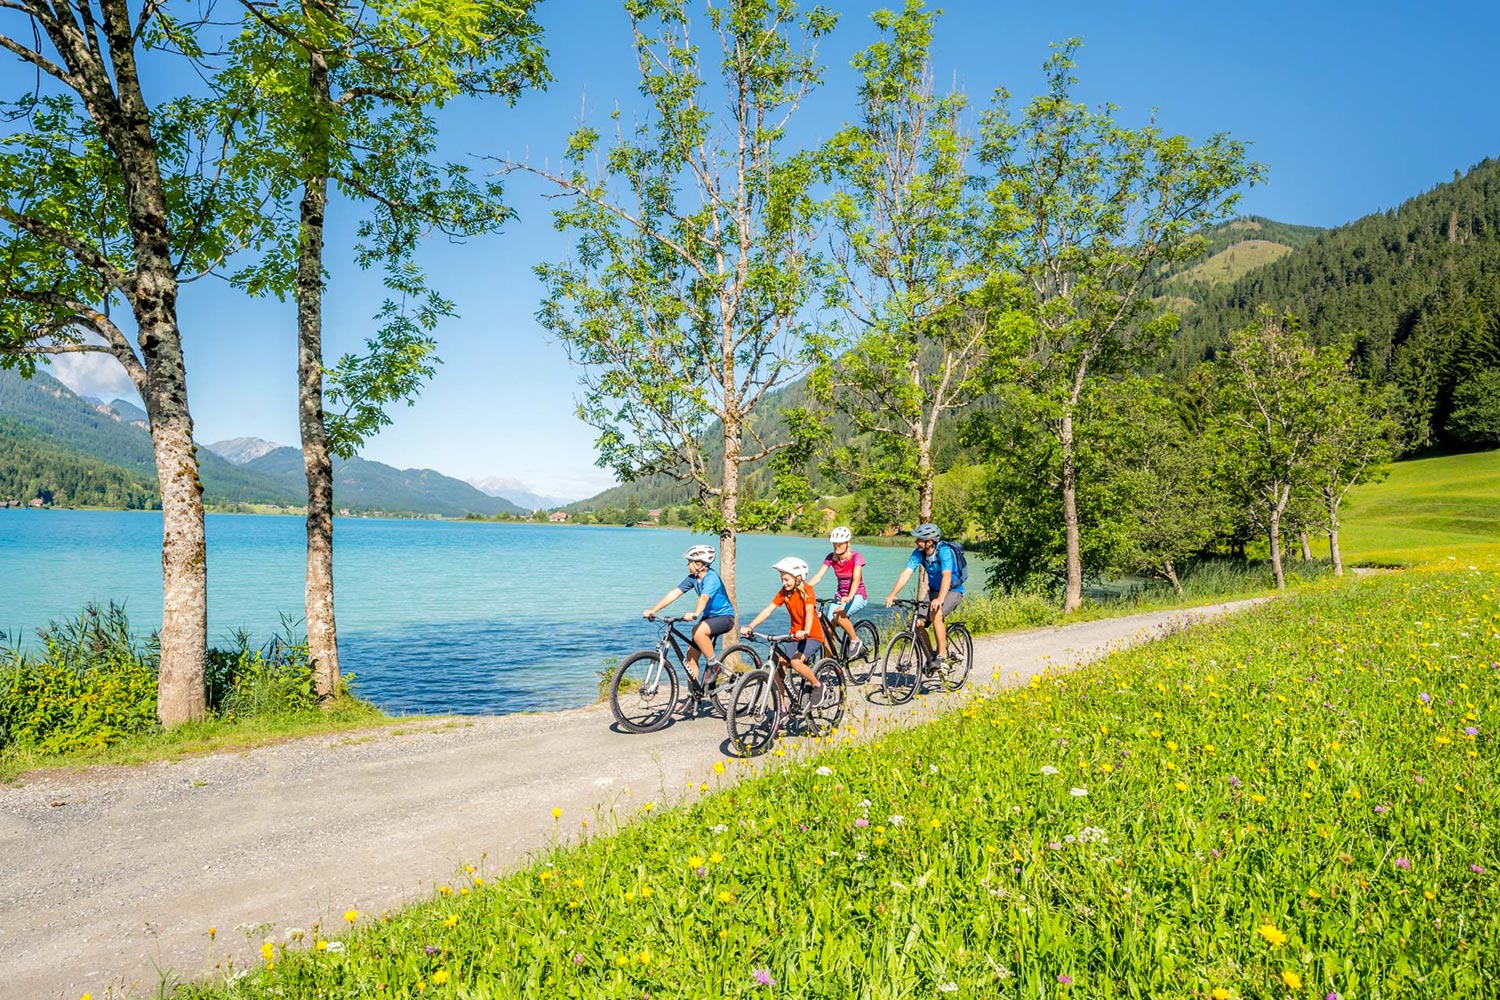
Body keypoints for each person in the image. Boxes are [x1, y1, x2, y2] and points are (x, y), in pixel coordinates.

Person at [740, 556, 832, 706]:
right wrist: (751, 626)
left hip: (812, 635)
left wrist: (806, 630)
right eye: (782, 579)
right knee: (777, 665)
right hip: (795, 636)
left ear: (798, 578)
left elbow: (809, 611)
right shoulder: (784, 592)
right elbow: (768, 610)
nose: (784, 582)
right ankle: (781, 707)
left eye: (787, 579)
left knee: (795, 662)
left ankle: (818, 685)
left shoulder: (807, 590)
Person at [643, 544, 734, 685]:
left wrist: (695, 613)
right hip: (708, 619)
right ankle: (693, 697)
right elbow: (674, 593)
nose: (687, 565)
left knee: (697, 631)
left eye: (689, 562)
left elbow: (704, 597)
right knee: (691, 657)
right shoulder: (693, 578)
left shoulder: (712, 578)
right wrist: (654, 610)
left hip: (725, 617)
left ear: (699, 564)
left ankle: (713, 665)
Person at [883, 522, 962, 668]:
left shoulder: (944, 552)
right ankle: (932, 658)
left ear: (929, 542)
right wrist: (893, 593)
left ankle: (942, 656)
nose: (915, 542)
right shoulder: (919, 553)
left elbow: (946, 576)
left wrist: (940, 599)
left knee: (935, 615)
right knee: (918, 623)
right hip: (933, 591)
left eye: (919, 539)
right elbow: (906, 573)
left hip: (953, 591)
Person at [807, 526, 867, 659]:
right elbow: (819, 576)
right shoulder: (831, 558)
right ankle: (829, 663)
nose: (837, 546)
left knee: (837, 615)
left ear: (847, 544)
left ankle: (855, 640)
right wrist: (804, 588)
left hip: (857, 595)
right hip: (839, 597)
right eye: (835, 544)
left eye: (840, 544)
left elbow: (856, 579)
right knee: (827, 632)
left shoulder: (856, 557)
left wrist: (850, 596)